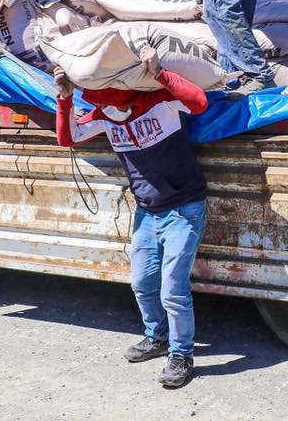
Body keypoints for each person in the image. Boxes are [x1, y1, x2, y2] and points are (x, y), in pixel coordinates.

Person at [54, 46, 209, 389]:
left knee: (174, 291)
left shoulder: (162, 103)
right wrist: (65, 98)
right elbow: (66, 139)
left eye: (116, 104)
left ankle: (182, 355)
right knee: (141, 283)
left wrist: (159, 73)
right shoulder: (103, 117)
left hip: (184, 210)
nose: (114, 111)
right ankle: (157, 337)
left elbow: (198, 102)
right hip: (146, 213)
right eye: (105, 105)